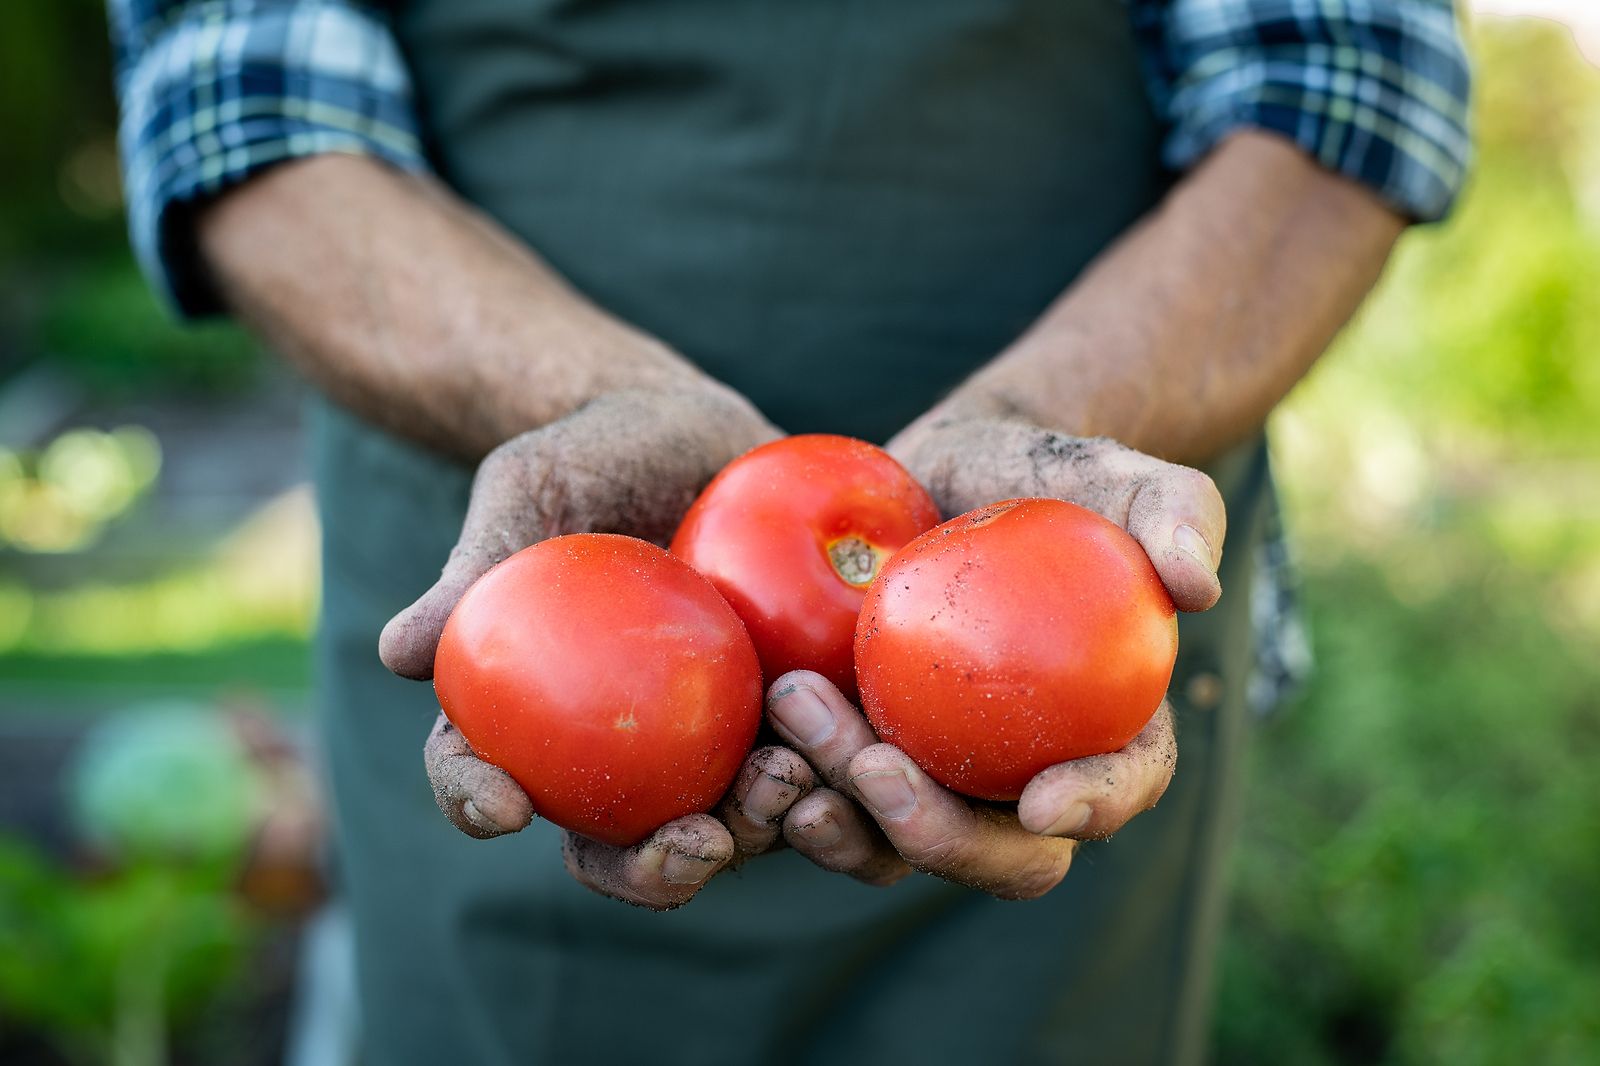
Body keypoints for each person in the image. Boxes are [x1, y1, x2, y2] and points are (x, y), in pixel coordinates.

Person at [108, 0, 1471, 1061]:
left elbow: (1338, 77)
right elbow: (243, 100)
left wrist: (1045, 421)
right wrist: (586, 397)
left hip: (1078, 525)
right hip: (521, 550)